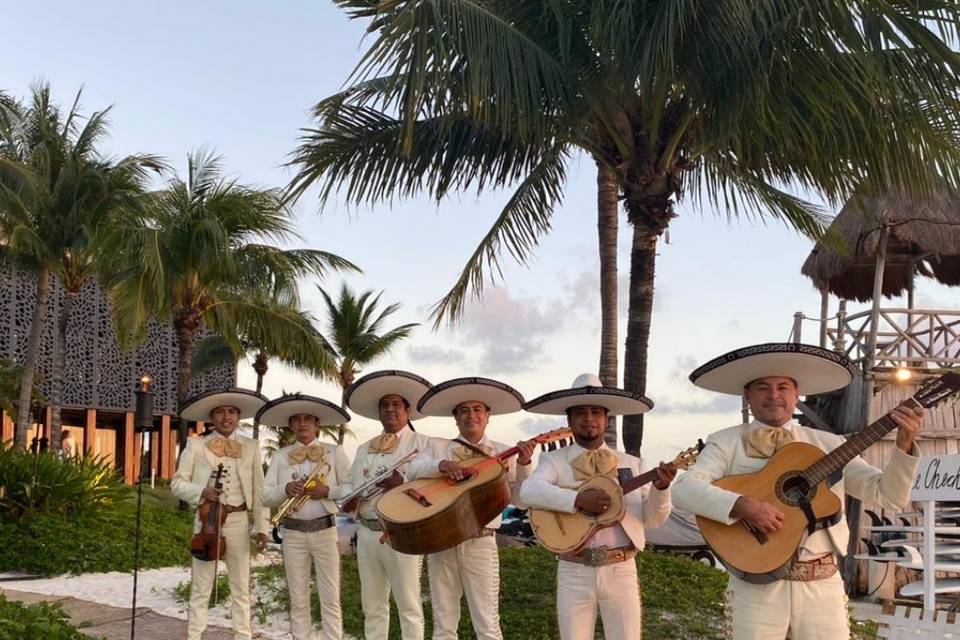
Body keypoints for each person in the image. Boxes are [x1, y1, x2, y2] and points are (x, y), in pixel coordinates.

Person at [671, 343, 924, 640]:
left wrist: (904, 446)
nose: (774, 395)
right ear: (747, 395)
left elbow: (887, 496)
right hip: (754, 586)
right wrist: (742, 505)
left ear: (796, 394)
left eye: (783, 387)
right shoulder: (726, 441)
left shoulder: (829, 444)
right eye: (763, 388)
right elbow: (684, 489)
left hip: (822, 583)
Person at [520, 373, 675, 640]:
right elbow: (528, 491)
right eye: (580, 412)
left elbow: (653, 520)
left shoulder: (633, 463)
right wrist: (577, 500)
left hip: (621, 568)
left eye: (596, 412)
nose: (588, 418)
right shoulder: (554, 460)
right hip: (573, 569)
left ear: (606, 419)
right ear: (569, 420)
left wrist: (661, 490)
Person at [407, 377, 536, 640]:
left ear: (488, 416)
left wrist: (524, 464)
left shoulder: (504, 452)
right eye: (464, 410)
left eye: (477, 409)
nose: (471, 415)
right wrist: (441, 465)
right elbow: (412, 470)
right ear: (455, 418)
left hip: (481, 541)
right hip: (441, 541)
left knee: (487, 623)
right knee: (443, 622)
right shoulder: (438, 446)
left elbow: (521, 500)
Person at [171, 388, 270, 640]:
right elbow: (177, 484)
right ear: (211, 417)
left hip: (238, 520)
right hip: (206, 522)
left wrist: (262, 527)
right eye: (220, 412)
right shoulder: (196, 444)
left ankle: (242, 636)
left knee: (241, 587)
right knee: (201, 586)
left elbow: (259, 490)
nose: (226, 417)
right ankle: (194, 637)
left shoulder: (251, 446)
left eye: (232, 412)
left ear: (238, 417)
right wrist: (201, 491)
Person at [341, 370, 433, 640]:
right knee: (372, 606)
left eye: (396, 404)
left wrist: (402, 483)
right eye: (384, 405)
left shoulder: (423, 444)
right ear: (379, 412)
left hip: (402, 533)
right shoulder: (364, 447)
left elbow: (434, 487)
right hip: (367, 532)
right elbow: (348, 482)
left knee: (409, 606)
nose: (390, 409)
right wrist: (348, 499)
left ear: (407, 411)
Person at [260, 394, 352, 640]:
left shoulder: (334, 452)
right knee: (298, 598)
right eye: (297, 419)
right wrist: (284, 489)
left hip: (325, 532)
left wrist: (327, 491)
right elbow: (265, 496)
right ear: (290, 425)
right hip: (293, 534)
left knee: (331, 597)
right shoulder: (280, 456)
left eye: (308, 419)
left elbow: (352, 487)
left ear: (317, 424)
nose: (302, 424)